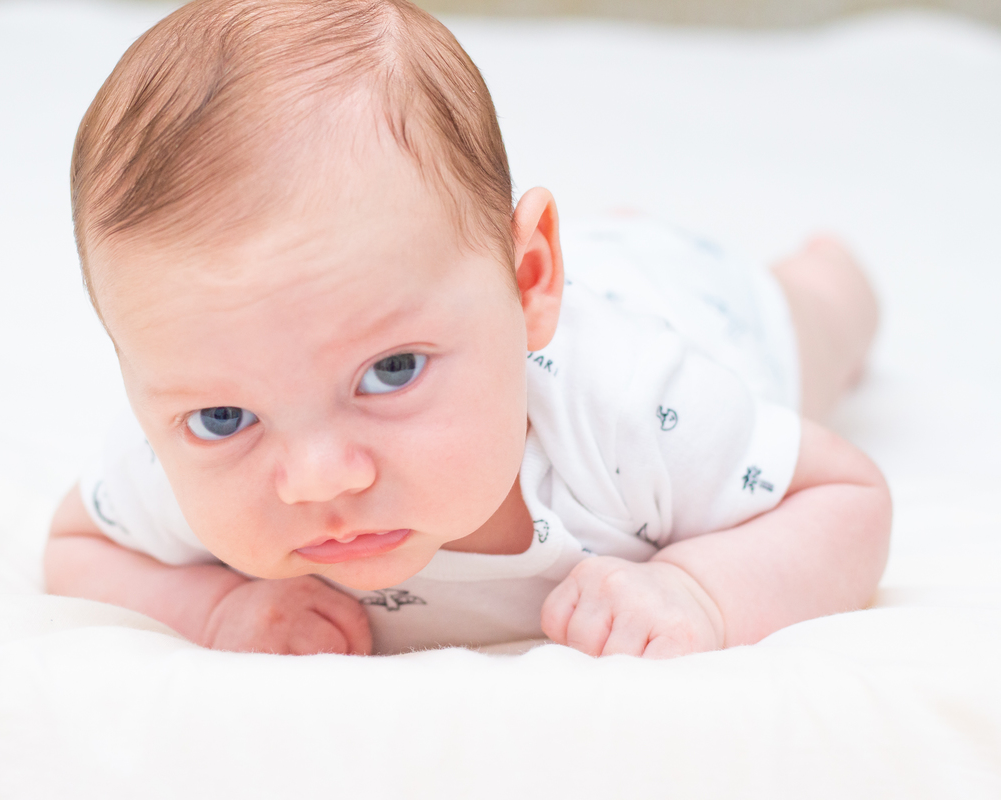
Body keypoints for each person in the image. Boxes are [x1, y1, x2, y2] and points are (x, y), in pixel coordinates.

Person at [44, 0, 891, 657]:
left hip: (698, 301)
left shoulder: (632, 409)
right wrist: (215, 608)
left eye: (391, 370)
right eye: (227, 418)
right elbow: (75, 544)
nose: (318, 481)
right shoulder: (175, 461)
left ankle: (824, 270)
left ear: (531, 284)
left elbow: (846, 497)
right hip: (514, 272)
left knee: (817, 316)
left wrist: (700, 590)